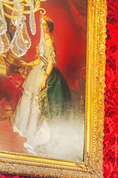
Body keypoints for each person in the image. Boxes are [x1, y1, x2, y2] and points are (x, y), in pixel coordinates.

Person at [12, 16, 82, 160]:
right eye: (41, 24)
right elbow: (40, 60)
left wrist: (44, 78)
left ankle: (40, 135)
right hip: (39, 70)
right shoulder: (43, 40)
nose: (42, 27)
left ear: (49, 27)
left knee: (41, 104)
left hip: (47, 74)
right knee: (30, 100)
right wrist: (29, 65)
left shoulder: (49, 42)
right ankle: (28, 129)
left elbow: (50, 63)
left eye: (45, 25)